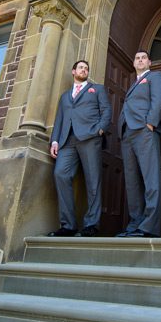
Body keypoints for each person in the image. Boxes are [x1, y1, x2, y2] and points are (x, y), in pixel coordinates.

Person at [48, 60, 112, 237]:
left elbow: (106, 110)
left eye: (86, 68)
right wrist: (55, 141)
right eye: (81, 67)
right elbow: (59, 119)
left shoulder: (96, 89)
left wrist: (99, 130)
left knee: (93, 180)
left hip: (90, 137)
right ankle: (68, 225)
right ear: (73, 71)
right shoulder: (65, 96)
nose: (84, 70)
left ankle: (91, 224)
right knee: (60, 174)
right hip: (67, 141)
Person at [117, 50, 161, 238]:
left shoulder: (155, 77)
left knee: (150, 179)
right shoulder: (134, 83)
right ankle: (135, 224)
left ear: (149, 62)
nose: (140, 60)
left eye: (143, 58)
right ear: (133, 63)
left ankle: (149, 227)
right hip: (127, 134)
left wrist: (151, 122)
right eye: (137, 58)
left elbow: (159, 99)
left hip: (145, 131)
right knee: (132, 182)